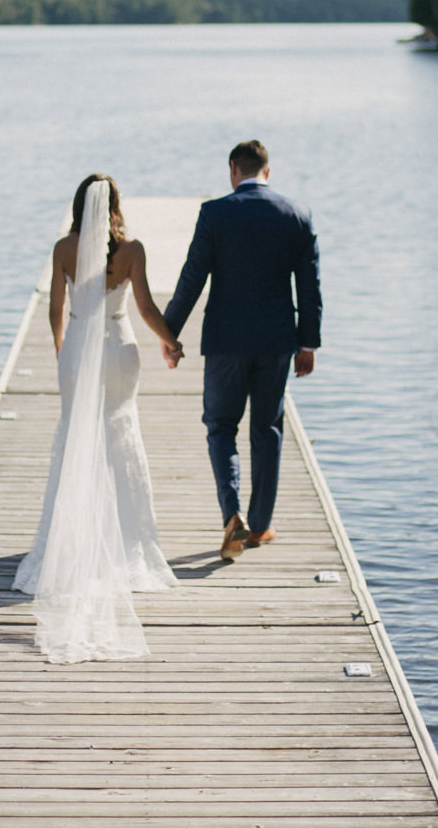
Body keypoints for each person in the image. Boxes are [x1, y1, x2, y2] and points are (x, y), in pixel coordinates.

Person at [13, 174, 180, 662]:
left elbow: (56, 310)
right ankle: (129, 545)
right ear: (115, 206)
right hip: (120, 349)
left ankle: (70, 540)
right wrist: (170, 339)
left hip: (82, 348)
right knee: (120, 436)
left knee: (76, 439)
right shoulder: (133, 251)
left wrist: (66, 354)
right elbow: (146, 306)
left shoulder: (64, 248)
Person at [162, 140, 321, 562]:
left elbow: (192, 278)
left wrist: (169, 334)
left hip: (225, 343)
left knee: (221, 427)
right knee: (266, 429)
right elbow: (309, 287)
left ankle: (232, 516)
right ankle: (261, 525)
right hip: (276, 343)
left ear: (234, 169)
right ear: (267, 171)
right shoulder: (297, 215)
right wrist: (308, 343)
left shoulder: (215, 213)